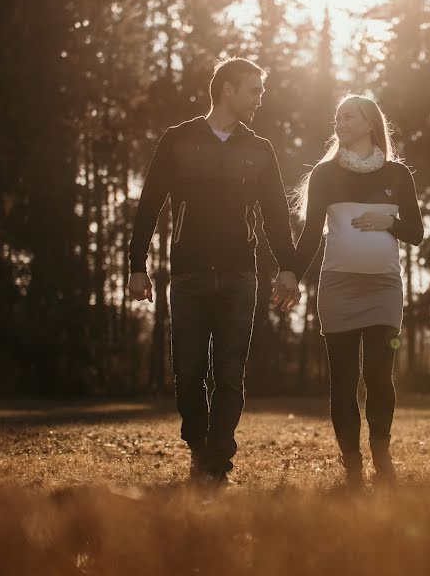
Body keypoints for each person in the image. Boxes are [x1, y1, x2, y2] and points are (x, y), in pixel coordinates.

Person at [127, 57, 300, 487]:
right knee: (187, 374)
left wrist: (289, 268)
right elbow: (149, 204)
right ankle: (199, 444)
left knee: (229, 374)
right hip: (188, 278)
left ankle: (217, 458)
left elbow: (277, 216)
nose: (260, 99)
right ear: (228, 89)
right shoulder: (178, 141)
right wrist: (136, 265)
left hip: (241, 278)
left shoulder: (260, 150)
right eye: (254, 90)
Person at [293, 94, 424, 488]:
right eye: (337, 117)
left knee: (380, 376)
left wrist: (387, 224)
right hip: (339, 287)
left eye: (348, 116)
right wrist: (291, 274)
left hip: (384, 287)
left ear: (370, 123)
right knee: (344, 379)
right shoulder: (324, 174)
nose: (340, 122)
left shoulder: (398, 175)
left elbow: (415, 233)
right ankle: (352, 464)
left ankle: (381, 454)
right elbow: (312, 233)